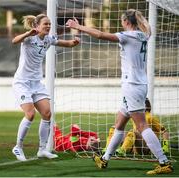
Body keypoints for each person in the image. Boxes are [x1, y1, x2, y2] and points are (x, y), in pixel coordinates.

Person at [66, 9, 173, 175]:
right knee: (119, 123)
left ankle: (164, 162)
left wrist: (78, 26)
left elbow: (100, 35)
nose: (121, 24)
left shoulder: (129, 35)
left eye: (122, 21)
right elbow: (147, 27)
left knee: (142, 125)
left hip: (132, 85)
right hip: (135, 84)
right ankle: (105, 158)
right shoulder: (144, 34)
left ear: (126, 22)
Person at [12, 14, 80, 161]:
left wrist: (75, 41)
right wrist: (27, 33)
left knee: (47, 113)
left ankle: (42, 150)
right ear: (36, 26)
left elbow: (67, 43)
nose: (48, 26)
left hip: (36, 83)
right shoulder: (30, 38)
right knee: (30, 114)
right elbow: (14, 41)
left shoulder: (48, 39)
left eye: (49, 24)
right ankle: (18, 147)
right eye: (45, 24)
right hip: (22, 82)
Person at [104, 98, 170, 156]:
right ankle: (107, 149)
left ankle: (123, 150)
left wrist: (165, 146)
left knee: (133, 132)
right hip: (134, 147)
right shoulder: (135, 116)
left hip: (145, 148)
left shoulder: (150, 117)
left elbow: (165, 132)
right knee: (114, 128)